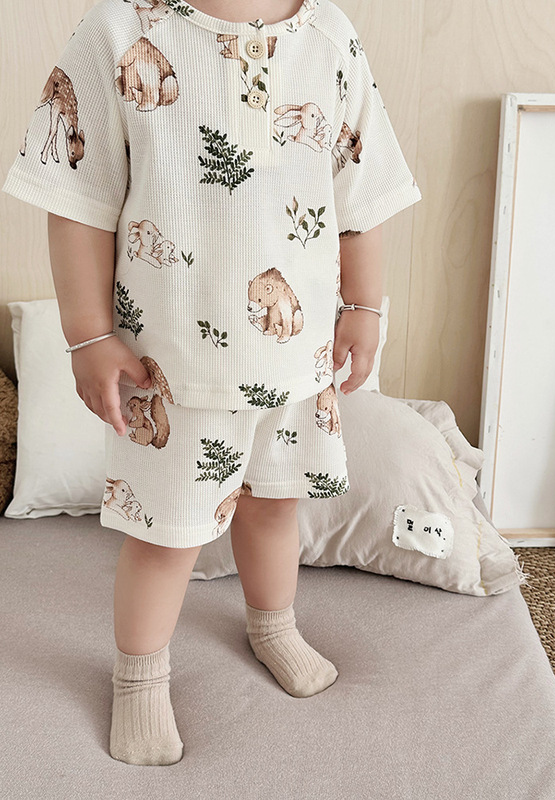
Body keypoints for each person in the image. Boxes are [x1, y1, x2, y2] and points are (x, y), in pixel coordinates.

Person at [2, 0, 421, 766]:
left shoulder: (329, 37)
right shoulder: (122, 29)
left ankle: (274, 625)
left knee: (275, 506)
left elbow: (361, 189)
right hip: (170, 369)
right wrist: (88, 336)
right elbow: (77, 198)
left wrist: (364, 305)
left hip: (295, 364)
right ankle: (139, 679)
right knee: (165, 537)